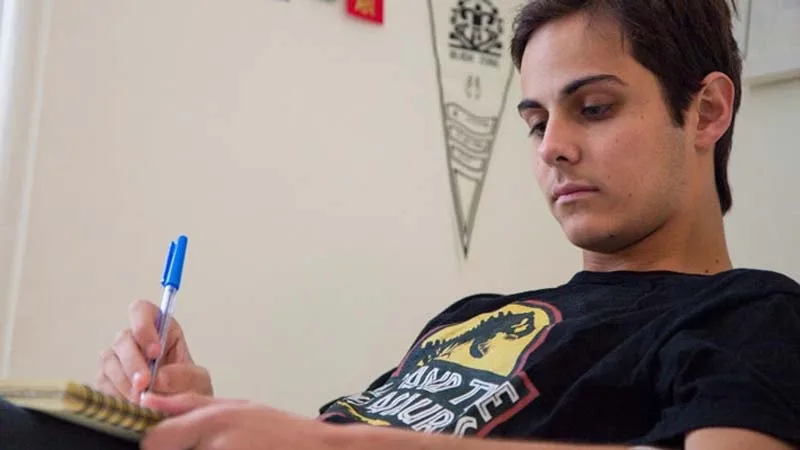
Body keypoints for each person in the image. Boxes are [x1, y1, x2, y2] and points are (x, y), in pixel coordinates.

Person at [2, 0, 799, 448]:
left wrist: (323, 447)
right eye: (533, 121)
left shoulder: (752, 316)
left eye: (593, 108)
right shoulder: (472, 320)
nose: (553, 147)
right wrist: (202, 415)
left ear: (706, 111)